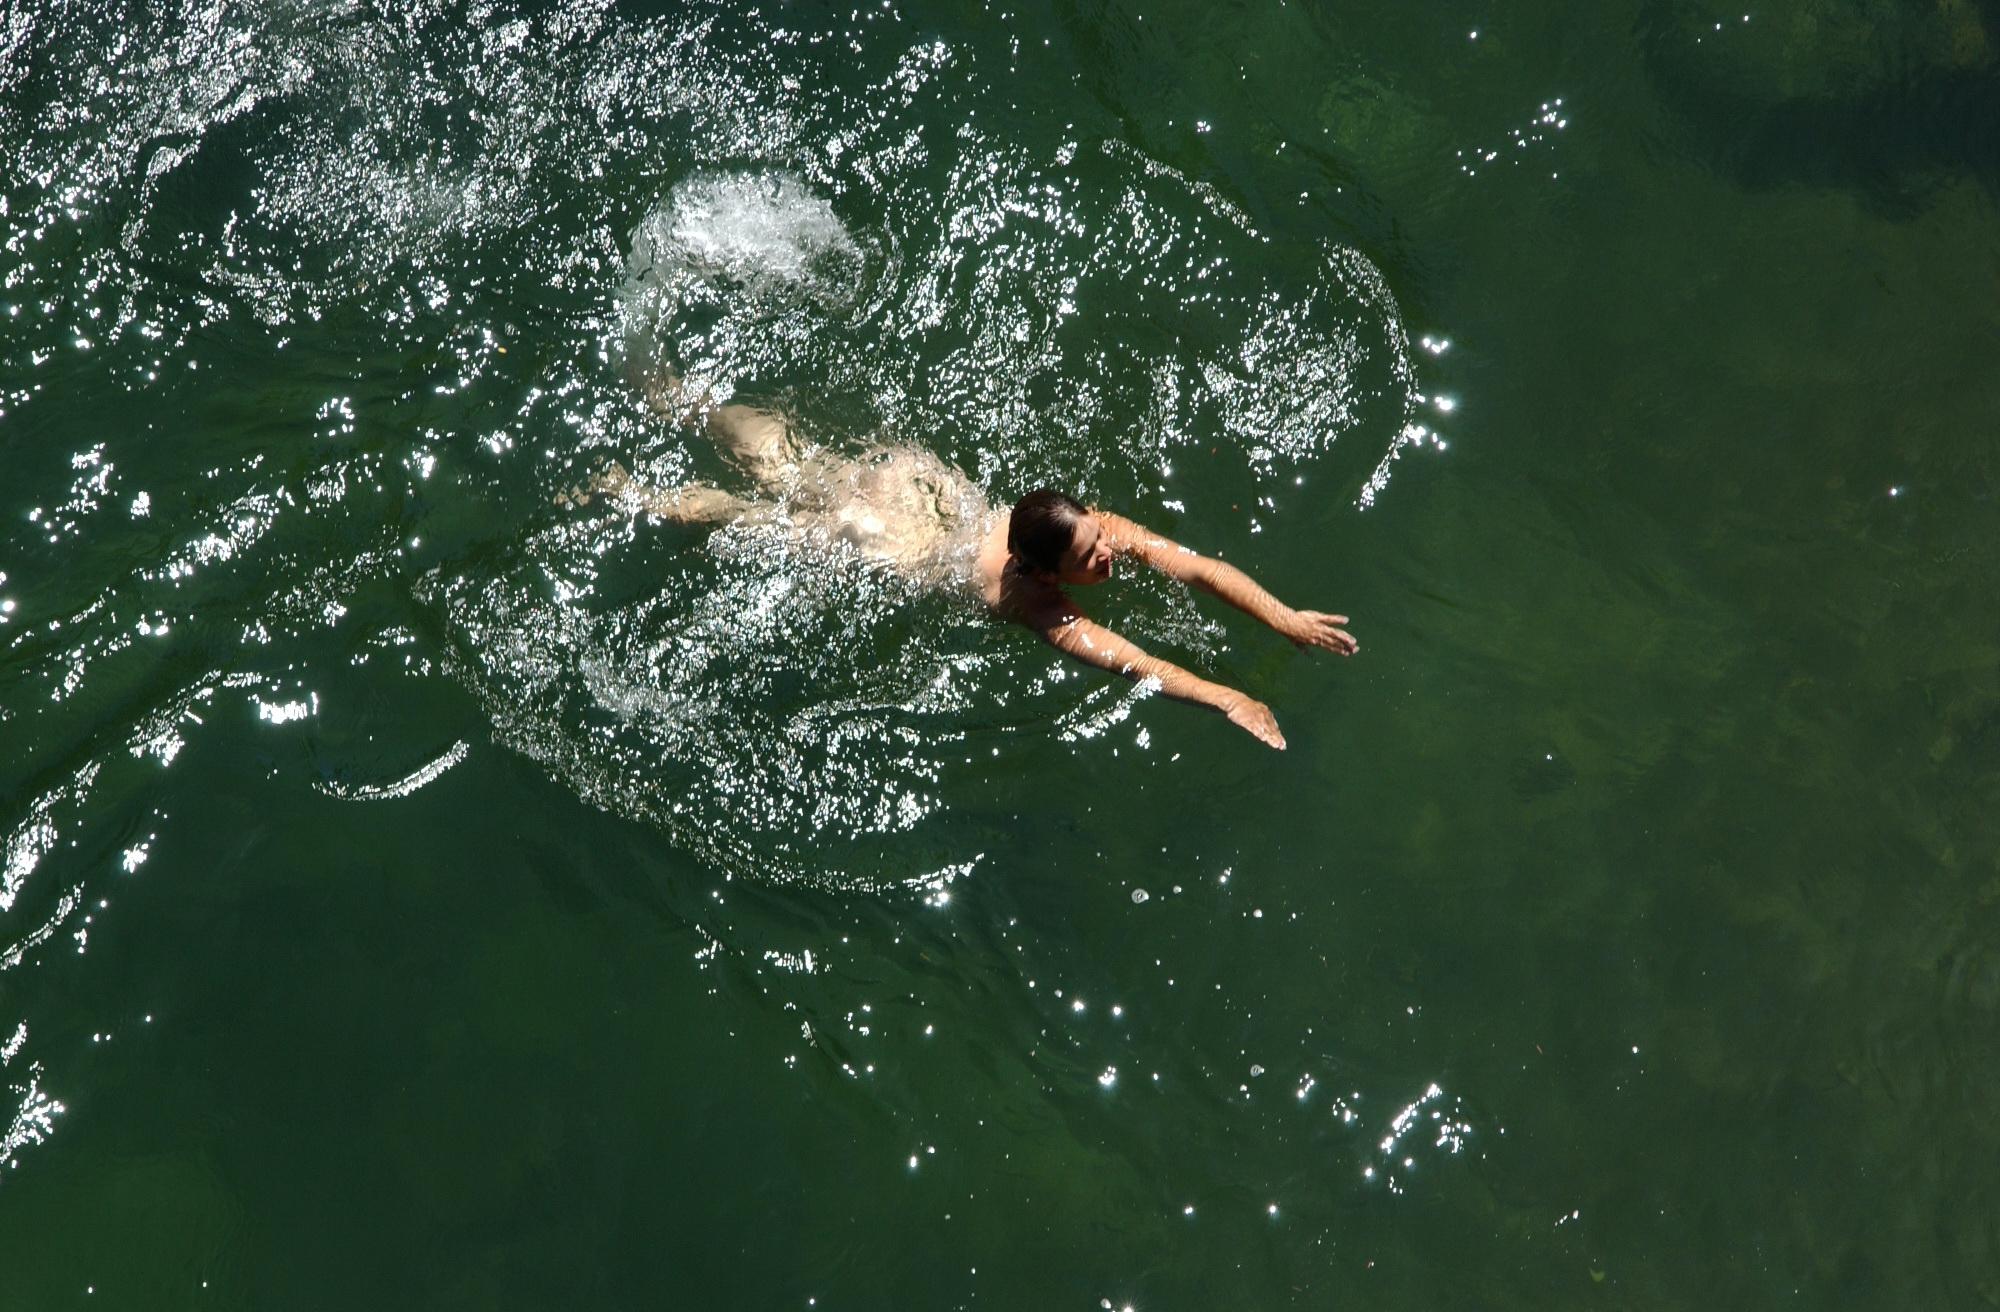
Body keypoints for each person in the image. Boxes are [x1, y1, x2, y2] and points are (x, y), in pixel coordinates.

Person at [573, 392, 1356, 749]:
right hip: (882, 537)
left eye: (1100, 540)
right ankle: (631, 490)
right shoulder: (1037, 607)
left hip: (903, 483)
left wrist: (1282, 616)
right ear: (1043, 570)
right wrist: (1229, 698)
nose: (1109, 554)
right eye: (1091, 559)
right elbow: (1140, 664)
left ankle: (673, 398)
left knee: (792, 465)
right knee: (756, 519)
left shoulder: (1090, 528)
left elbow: (1200, 568)